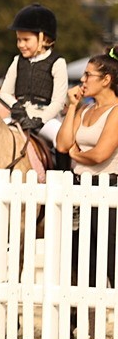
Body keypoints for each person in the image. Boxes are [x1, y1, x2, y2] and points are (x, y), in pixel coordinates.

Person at [55, 50, 118, 296]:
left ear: (106, 80)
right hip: (80, 191)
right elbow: (62, 144)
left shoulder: (116, 111)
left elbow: (100, 154)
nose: (82, 80)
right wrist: (72, 107)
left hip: (108, 193)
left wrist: (75, 154)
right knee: (83, 263)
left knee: (112, 261)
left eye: (88, 75)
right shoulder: (84, 110)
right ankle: (87, 327)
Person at [0, 3, 68, 144]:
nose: (20, 45)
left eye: (26, 40)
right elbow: (4, 92)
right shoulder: (17, 61)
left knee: (61, 139)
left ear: (43, 39)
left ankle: (66, 167)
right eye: (18, 39)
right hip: (19, 117)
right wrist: (16, 106)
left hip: (46, 120)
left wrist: (40, 120)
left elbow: (59, 102)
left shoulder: (58, 62)